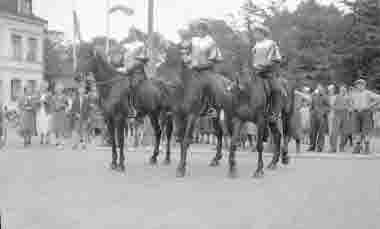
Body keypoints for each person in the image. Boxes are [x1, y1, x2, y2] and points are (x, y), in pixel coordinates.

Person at [251, 23, 284, 122]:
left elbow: (276, 59)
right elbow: (254, 61)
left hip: (268, 73)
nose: (254, 35)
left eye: (256, 33)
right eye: (254, 33)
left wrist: (265, 67)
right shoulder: (255, 46)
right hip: (257, 73)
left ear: (262, 33)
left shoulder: (271, 43)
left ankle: (274, 113)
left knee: (276, 89)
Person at [350, 78, 380, 154]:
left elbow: (378, 98)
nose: (359, 86)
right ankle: (357, 147)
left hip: (366, 112)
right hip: (356, 112)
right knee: (357, 130)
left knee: (366, 130)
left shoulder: (368, 93)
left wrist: (370, 105)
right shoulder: (354, 93)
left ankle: (367, 147)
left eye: (361, 84)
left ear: (364, 85)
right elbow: (350, 101)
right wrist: (353, 107)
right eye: (358, 84)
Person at [329, 85, 351, 153]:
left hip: (345, 115)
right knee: (334, 132)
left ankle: (342, 147)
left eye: (344, 90)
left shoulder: (349, 97)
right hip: (337, 115)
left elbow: (351, 107)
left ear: (346, 90)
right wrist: (341, 108)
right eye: (342, 90)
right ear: (340, 90)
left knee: (345, 132)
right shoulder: (336, 97)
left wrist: (348, 108)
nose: (343, 91)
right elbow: (332, 106)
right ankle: (333, 148)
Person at [308, 84, 330, 152]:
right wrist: (311, 112)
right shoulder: (313, 95)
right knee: (312, 132)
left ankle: (320, 147)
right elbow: (311, 105)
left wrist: (323, 112)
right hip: (313, 116)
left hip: (321, 117)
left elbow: (329, 107)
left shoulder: (325, 96)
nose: (319, 89)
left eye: (320, 88)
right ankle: (312, 146)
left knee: (321, 133)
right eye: (318, 88)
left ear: (322, 89)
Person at [71, 84, 91, 150]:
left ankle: (83, 144)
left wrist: (88, 118)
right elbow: (72, 109)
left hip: (84, 117)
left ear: (84, 91)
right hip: (77, 117)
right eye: (80, 90)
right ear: (78, 91)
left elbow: (88, 109)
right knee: (76, 131)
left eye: (82, 90)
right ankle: (75, 144)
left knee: (84, 131)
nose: (81, 91)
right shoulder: (75, 99)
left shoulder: (86, 99)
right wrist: (76, 114)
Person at [51, 83, 68, 149]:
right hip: (56, 113)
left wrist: (62, 105)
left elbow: (67, 104)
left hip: (62, 113)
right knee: (56, 128)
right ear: (56, 90)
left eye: (60, 89)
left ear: (62, 89)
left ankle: (60, 142)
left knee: (61, 128)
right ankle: (58, 141)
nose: (59, 90)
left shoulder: (64, 96)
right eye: (57, 89)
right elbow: (52, 105)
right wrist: (55, 107)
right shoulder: (54, 97)